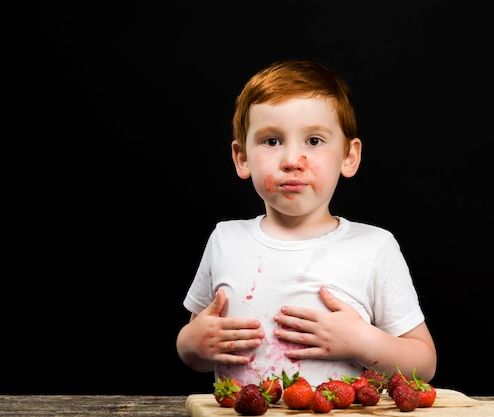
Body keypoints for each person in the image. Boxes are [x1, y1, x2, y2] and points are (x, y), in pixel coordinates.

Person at [176, 60, 437, 388]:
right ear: (242, 158)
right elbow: (195, 351)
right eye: (272, 141)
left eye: (314, 141)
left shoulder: (374, 247)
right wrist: (191, 344)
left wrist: (362, 341)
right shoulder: (225, 240)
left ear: (348, 156)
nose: (291, 161)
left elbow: (424, 363)